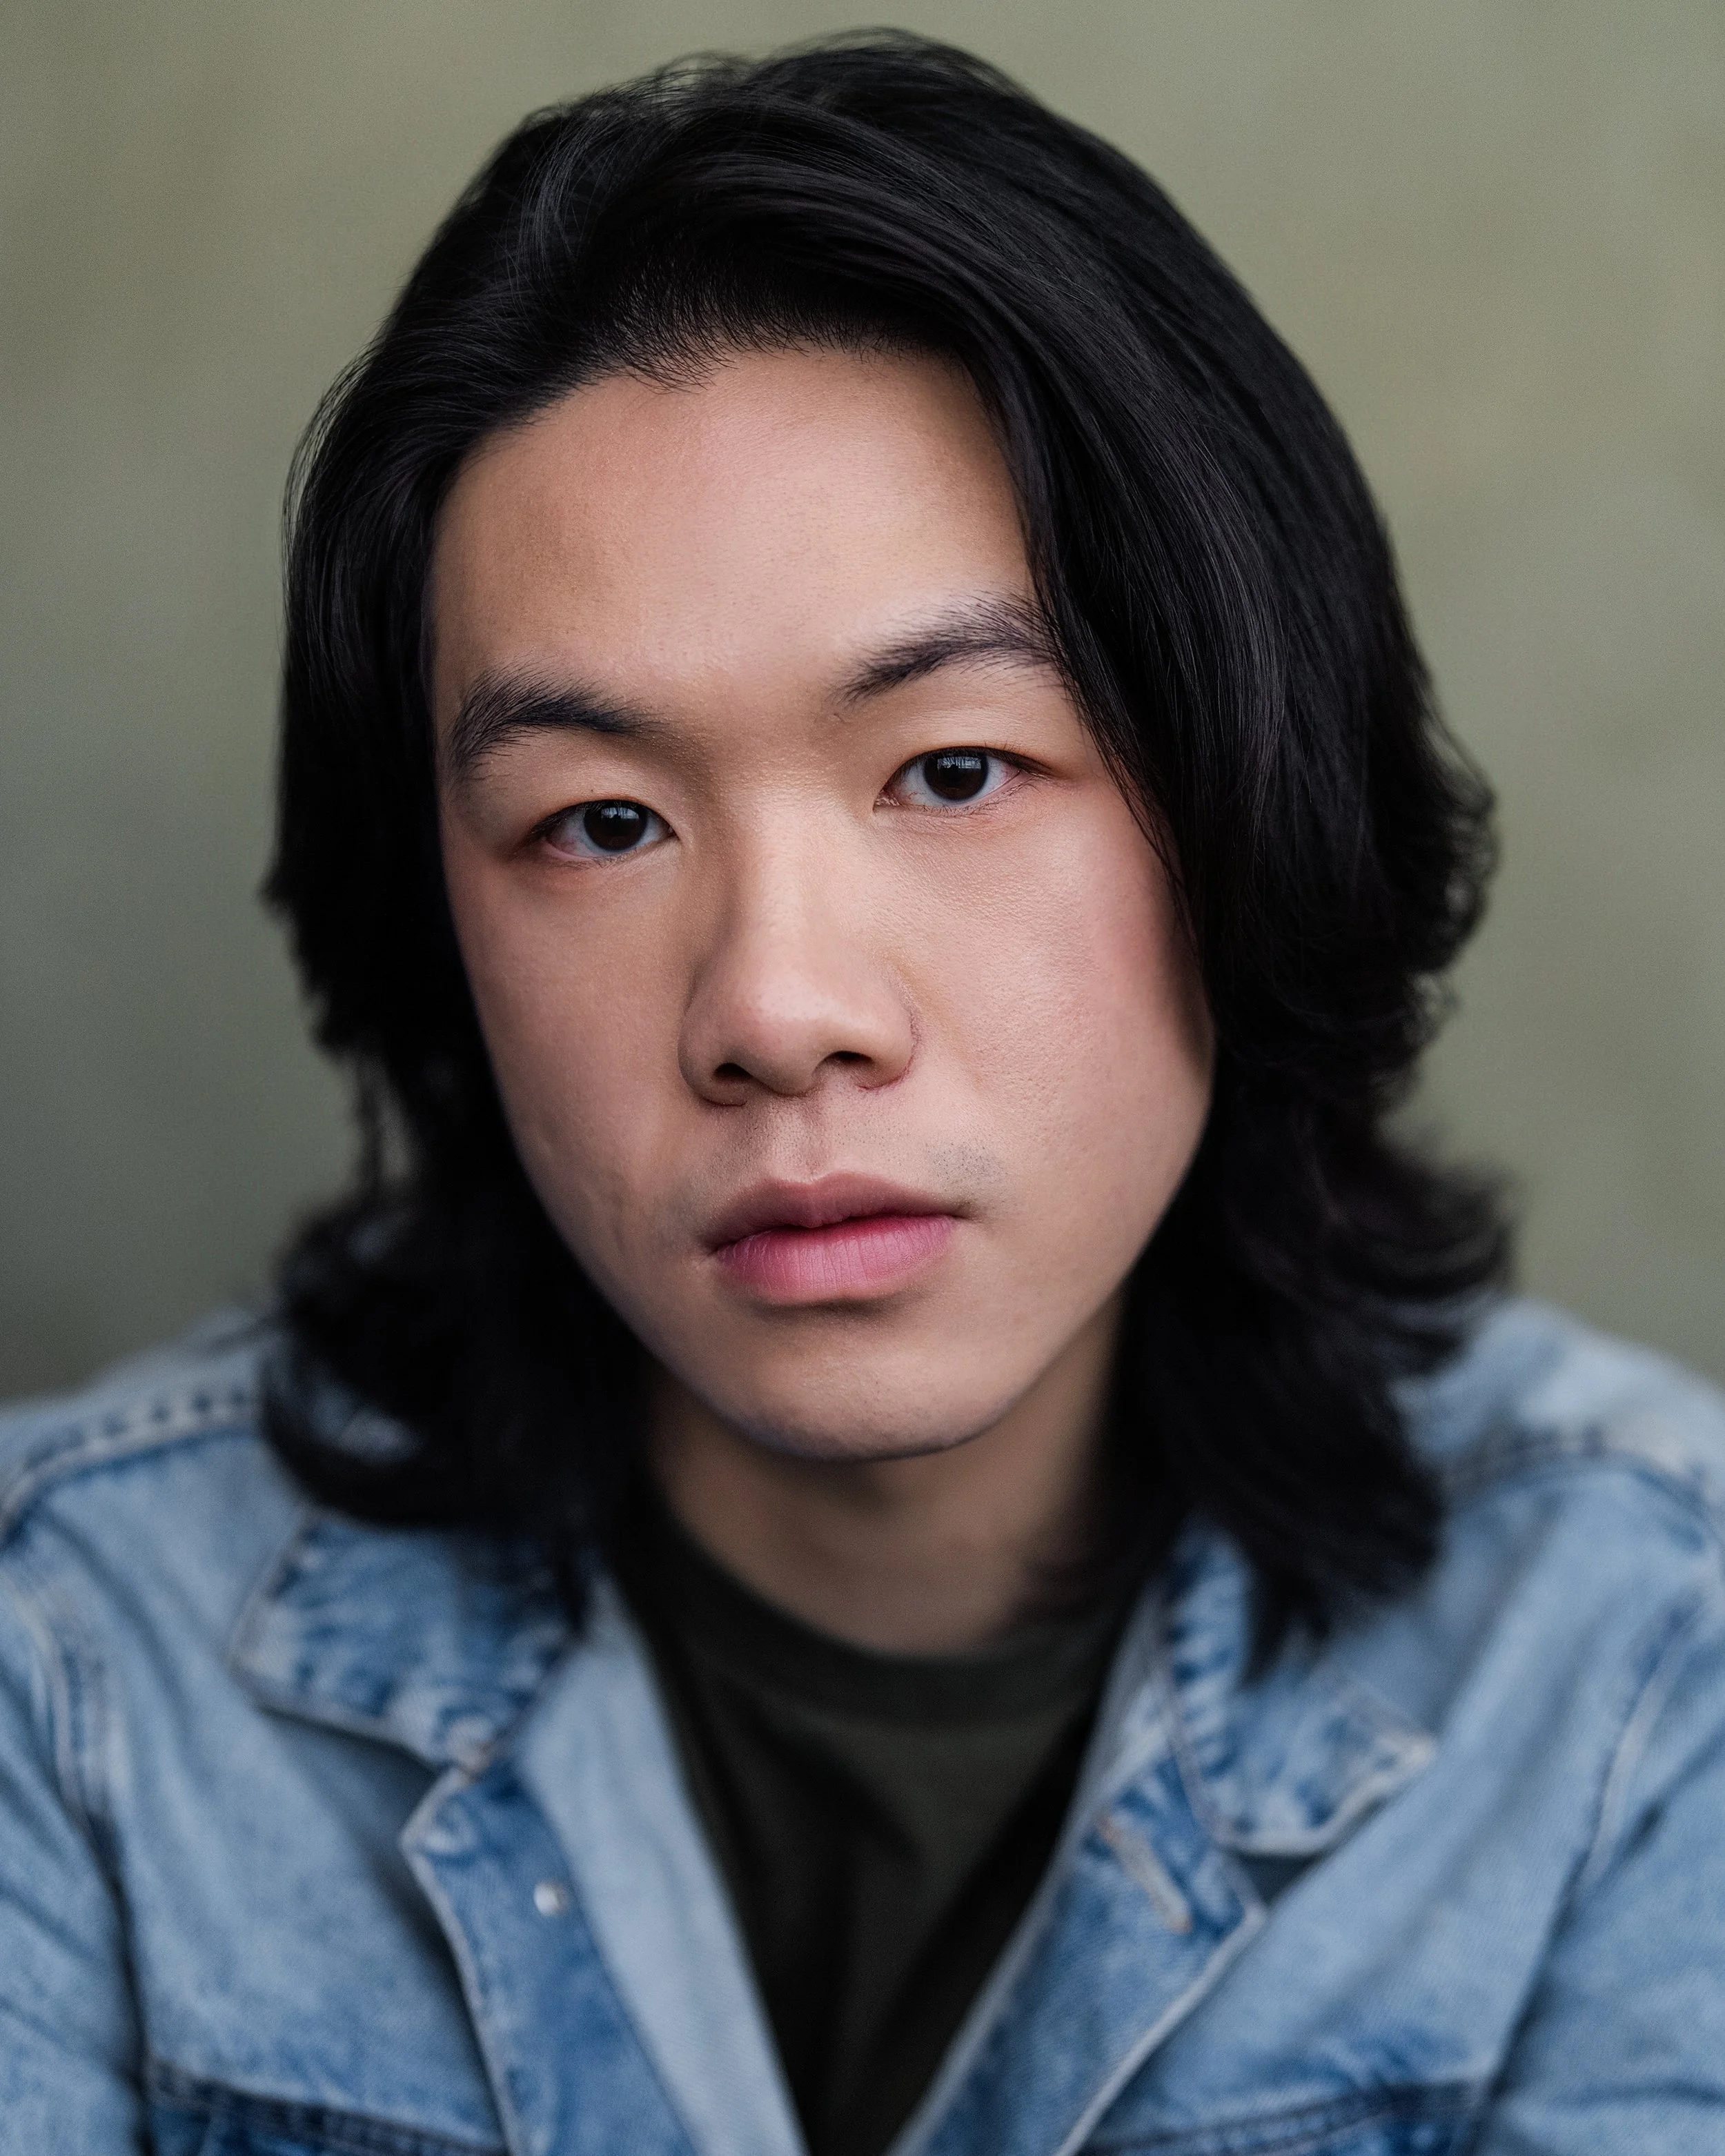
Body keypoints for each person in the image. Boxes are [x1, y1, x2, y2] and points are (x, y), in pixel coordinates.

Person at [2, 32, 1722, 2155]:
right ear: (435, 917)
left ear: (1248, 798)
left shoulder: (1654, 1666)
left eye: (955, 770)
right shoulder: (65, 1667)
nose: (778, 1007)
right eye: (600, 822)